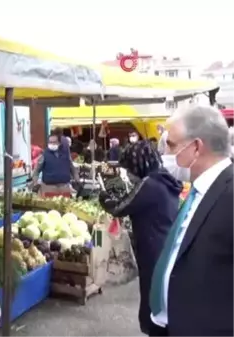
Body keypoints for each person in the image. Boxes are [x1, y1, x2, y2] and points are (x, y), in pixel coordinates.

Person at [149, 105, 234, 337]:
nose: (165, 152)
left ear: (196, 147)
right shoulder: (199, 190)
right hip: (170, 325)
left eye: (172, 145)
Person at [98, 140, 181, 335]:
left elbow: (120, 207)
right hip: (164, 243)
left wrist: (104, 195)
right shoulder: (164, 178)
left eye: (130, 169)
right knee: (160, 296)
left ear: (138, 165)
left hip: (152, 248)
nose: (129, 173)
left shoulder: (150, 184)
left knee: (152, 299)